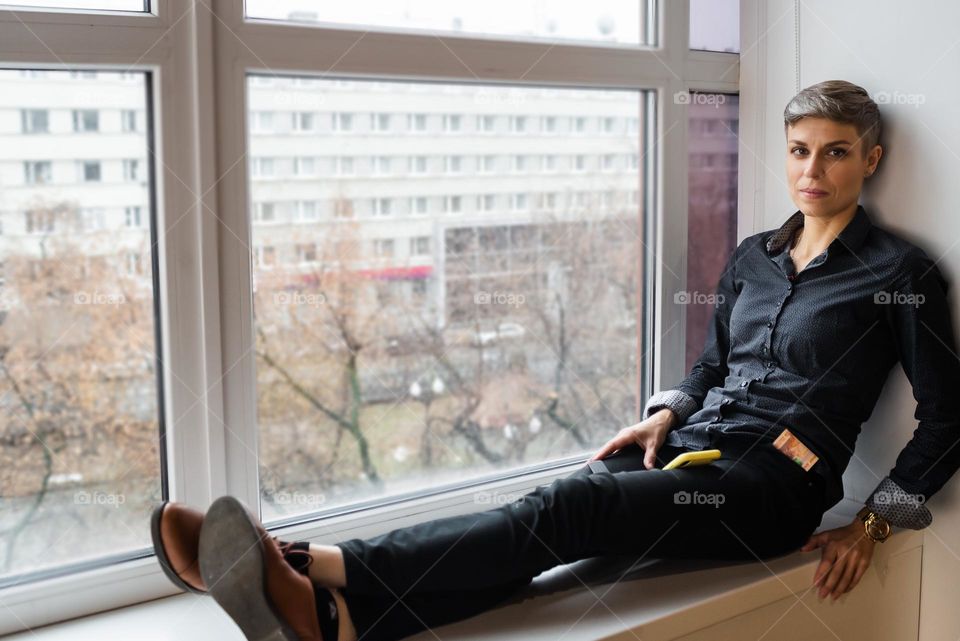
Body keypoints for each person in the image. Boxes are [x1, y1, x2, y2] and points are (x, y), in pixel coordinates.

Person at [151, 80, 960, 641]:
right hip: (694, 444)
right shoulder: (754, 255)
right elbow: (713, 362)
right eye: (799, 151)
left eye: (836, 153)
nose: (812, 172)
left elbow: (951, 418)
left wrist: (874, 520)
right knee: (550, 515)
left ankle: (298, 562)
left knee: (568, 510)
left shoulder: (899, 274)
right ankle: (340, 622)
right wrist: (666, 411)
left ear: (871, 160)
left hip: (773, 486)